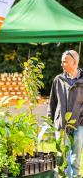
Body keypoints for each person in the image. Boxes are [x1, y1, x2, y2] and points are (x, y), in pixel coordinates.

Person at [47, 50, 83, 178]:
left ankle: (74, 176)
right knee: (62, 154)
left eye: (64, 61)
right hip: (61, 123)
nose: (61, 64)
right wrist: (50, 120)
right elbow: (52, 101)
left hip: (79, 123)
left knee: (76, 154)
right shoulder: (58, 79)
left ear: (74, 63)